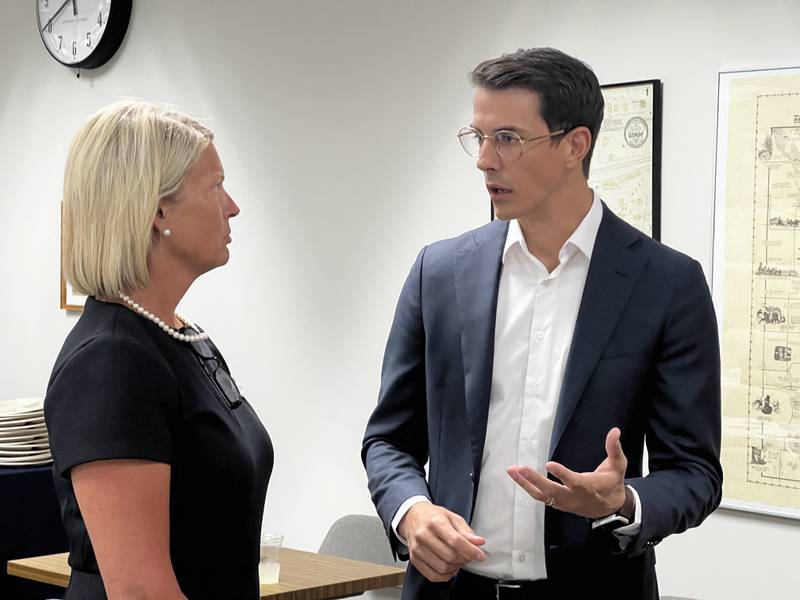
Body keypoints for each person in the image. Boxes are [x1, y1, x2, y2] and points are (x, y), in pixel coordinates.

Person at [362, 48, 722, 599]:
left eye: (507, 138)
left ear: (574, 145)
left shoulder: (666, 284)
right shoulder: (439, 271)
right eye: (477, 137)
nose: (484, 160)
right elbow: (389, 439)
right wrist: (411, 512)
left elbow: (695, 472)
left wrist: (621, 501)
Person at [44, 100, 273, 600]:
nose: (233, 205)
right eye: (215, 187)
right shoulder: (109, 362)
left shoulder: (182, 338)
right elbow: (141, 591)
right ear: (158, 211)